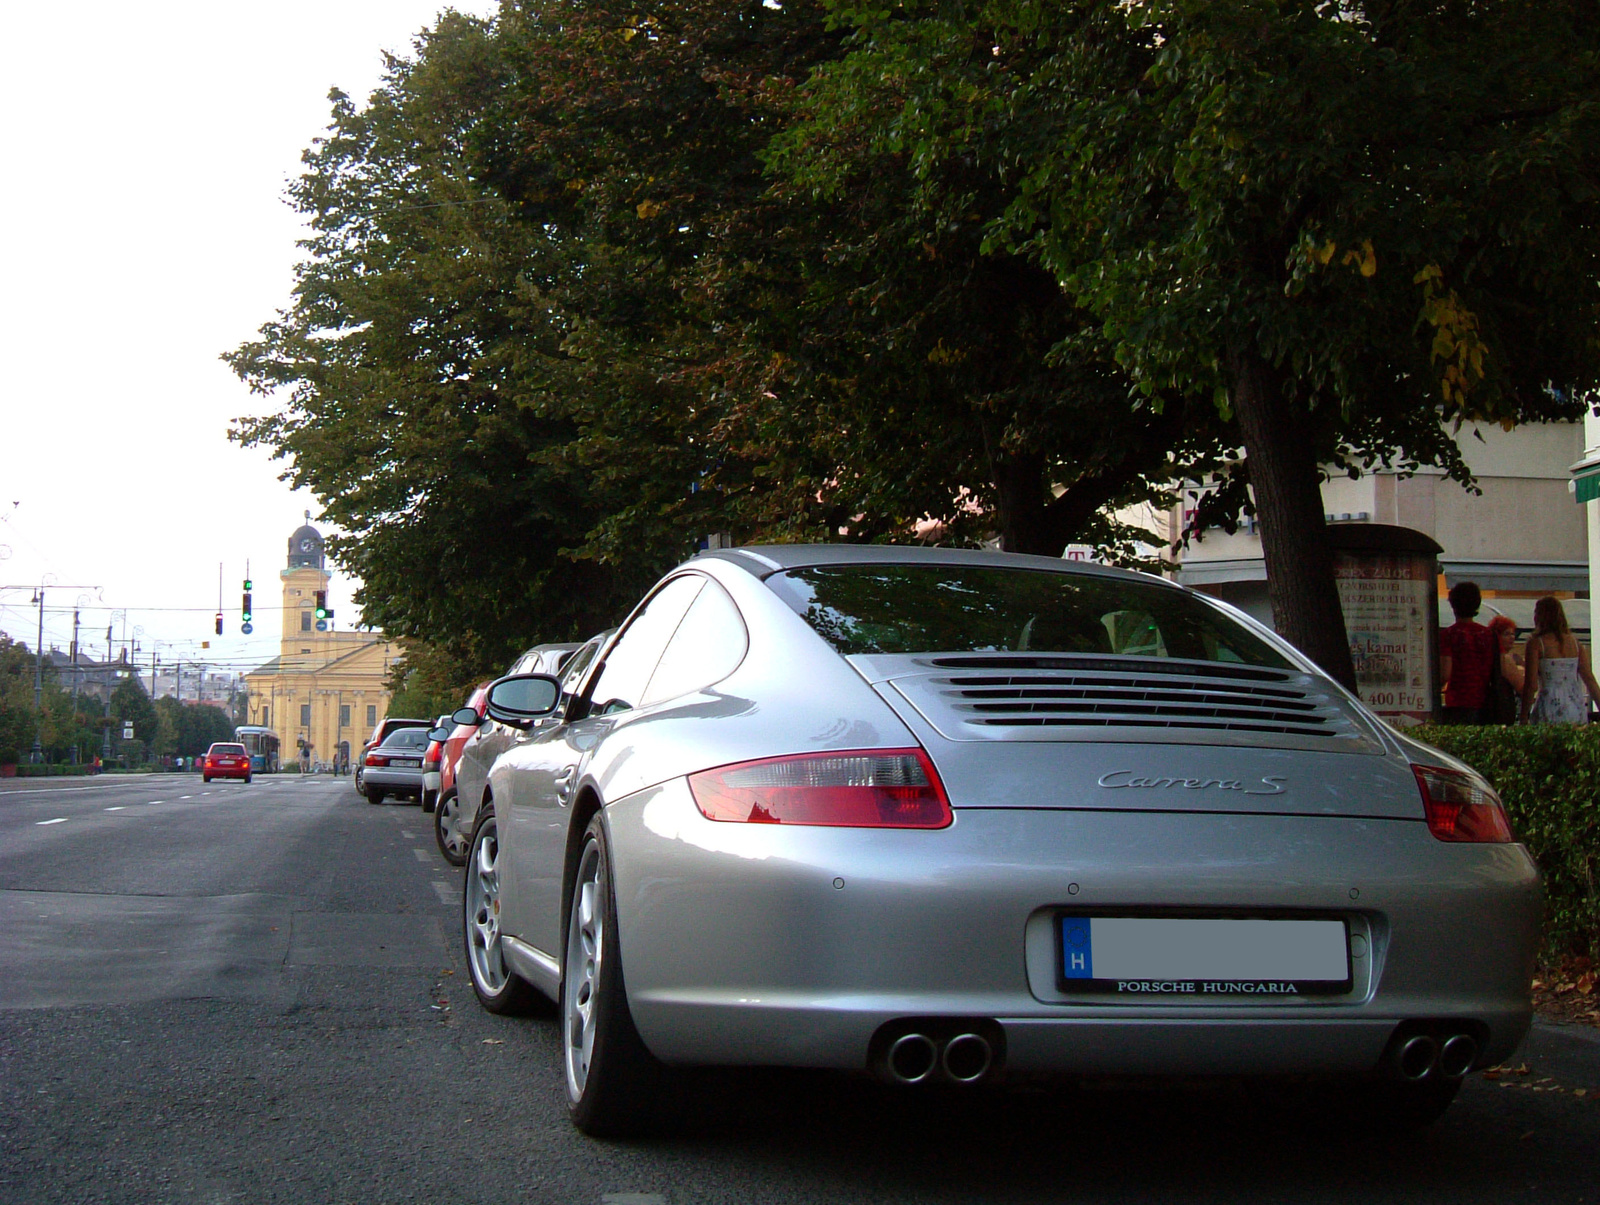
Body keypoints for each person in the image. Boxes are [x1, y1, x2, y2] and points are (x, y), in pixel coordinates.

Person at [1521, 596, 1600, 724]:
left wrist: (1524, 717)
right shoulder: (1575, 643)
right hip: (1576, 705)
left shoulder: (1536, 644)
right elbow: (1590, 680)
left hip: (1549, 706)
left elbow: (1531, 685)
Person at [1439, 581, 1496, 724]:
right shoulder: (1489, 635)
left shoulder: (1449, 635)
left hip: (1458, 702)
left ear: (1453, 605)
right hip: (1487, 702)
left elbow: (1445, 673)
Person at [1484, 615, 1523, 725]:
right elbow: (1522, 687)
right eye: (1506, 634)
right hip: (1506, 710)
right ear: (1497, 637)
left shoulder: (1489, 656)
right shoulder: (1505, 659)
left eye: (1512, 633)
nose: (1512, 637)